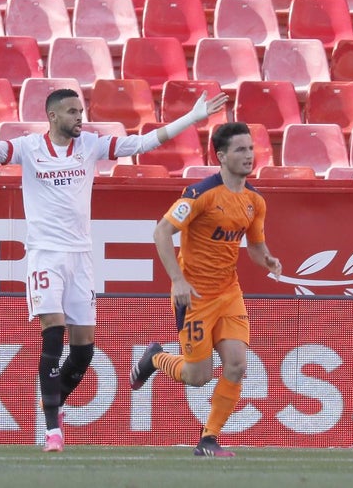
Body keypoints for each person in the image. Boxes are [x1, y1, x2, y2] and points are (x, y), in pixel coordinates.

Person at [0, 89, 229, 452]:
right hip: (45, 255)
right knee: (53, 330)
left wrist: (192, 117)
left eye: (81, 110)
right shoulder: (30, 148)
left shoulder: (90, 145)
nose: (80, 117)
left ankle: (54, 403)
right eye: (72, 112)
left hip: (81, 257)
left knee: (84, 352)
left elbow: (141, 144)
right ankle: (51, 431)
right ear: (52, 116)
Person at [130, 122, 282, 458]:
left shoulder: (255, 201)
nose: (248, 156)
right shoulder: (198, 195)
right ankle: (156, 358)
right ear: (222, 155)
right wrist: (177, 279)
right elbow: (161, 233)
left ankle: (208, 439)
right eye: (240, 150)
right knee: (198, 376)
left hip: (229, 293)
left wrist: (267, 260)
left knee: (237, 365)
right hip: (194, 297)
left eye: (251, 149)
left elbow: (255, 246)